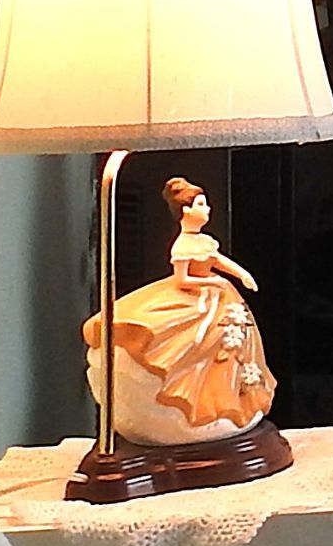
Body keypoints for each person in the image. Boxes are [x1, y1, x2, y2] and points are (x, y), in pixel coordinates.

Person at [84, 176, 274, 436]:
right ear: (186, 210)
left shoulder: (204, 241)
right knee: (195, 341)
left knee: (236, 341)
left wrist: (241, 274)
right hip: (198, 298)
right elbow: (182, 279)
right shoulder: (183, 246)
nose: (207, 209)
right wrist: (212, 283)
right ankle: (194, 396)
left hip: (220, 296)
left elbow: (218, 260)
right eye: (201, 204)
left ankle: (237, 394)